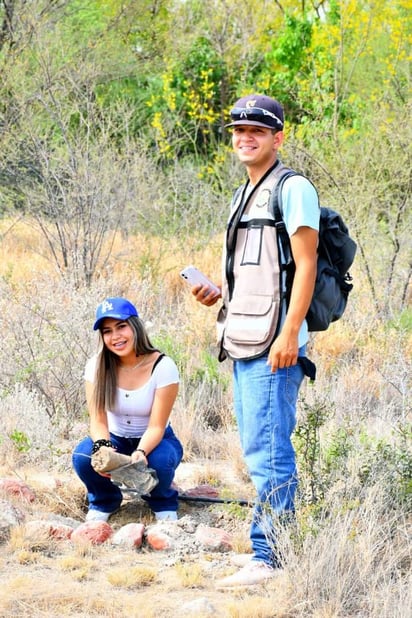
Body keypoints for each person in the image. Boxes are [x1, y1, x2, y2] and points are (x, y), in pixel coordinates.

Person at [192, 94, 320, 587]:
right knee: (254, 447)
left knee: (269, 451)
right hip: (244, 335)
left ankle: (270, 557)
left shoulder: (293, 189)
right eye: (238, 130)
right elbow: (263, 271)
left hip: (276, 343)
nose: (245, 138)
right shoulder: (244, 193)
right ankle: (268, 549)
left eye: (258, 131)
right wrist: (217, 293)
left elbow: (305, 264)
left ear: (278, 138)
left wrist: (290, 331)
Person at [72, 297, 183, 522]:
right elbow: (98, 418)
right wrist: (103, 449)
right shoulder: (96, 365)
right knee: (83, 456)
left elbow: (157, 425)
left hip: (155, 440)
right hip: (115, 437)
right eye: (107, 331)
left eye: (121, 326)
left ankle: (161, 499)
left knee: (160, 463)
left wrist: (141, 452)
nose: (116, 337)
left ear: (135, 326)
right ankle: (105, 501)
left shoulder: (163, 366)